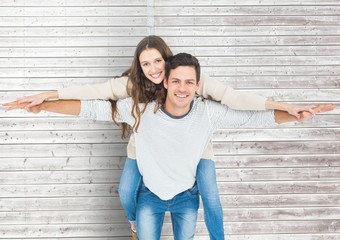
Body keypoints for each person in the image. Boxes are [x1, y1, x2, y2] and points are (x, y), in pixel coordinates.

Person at [3, 36, 316, 240]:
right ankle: (135, 222)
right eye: (147, 64)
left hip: (193, 158)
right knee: (127, 189)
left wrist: (289, 109)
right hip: (148, 164)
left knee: (211, 196)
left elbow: (243, 108)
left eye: (187, 82)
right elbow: (92, 102)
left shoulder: (202, 101)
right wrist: (47, 102)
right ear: (162, 79)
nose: (179, 85)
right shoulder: (135, 99)